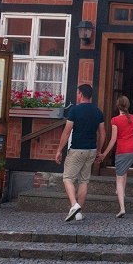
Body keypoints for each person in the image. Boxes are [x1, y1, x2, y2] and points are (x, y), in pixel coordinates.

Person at [55, 83, 105, 222]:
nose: (77, 95)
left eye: (77, 93)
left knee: (68, 178)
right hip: (91, 150)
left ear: (81, 94)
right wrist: (99, 151)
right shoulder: (97, 111)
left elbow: (66, 132)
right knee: (84, 181)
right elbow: (102, 133)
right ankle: (78, 214)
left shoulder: (75, 111)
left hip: (77, 149)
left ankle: (74, 205)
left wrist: (59, 150)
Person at [97, 95, 133, 217]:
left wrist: (104, 154)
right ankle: (122, 192)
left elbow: (113, 140)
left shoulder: (115, 120)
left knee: (119, 179)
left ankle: (122, 208)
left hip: (122, 151)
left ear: (117, 106)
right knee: (123, 171)